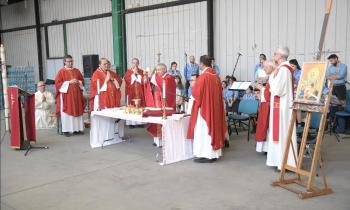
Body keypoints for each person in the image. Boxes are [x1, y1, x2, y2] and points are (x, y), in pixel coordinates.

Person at [187, 55, 226, 163]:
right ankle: (214, 153)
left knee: (204, 131)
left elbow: (196, 93)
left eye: (199, 63)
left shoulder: (203, 77)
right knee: (213, 129)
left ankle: (207, 154)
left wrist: (193, 86)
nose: (199, 65)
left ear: (202, 64)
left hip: (205, 109)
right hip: (215, 109)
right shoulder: (216, 76)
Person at [266, 47, 297, 170]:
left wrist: (271, 80)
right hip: (279, 106)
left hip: (283, 108)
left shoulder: (284, 70)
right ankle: (279, 161)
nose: (274, 55)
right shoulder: (281, 69)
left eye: (275, 54)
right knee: (279, 133)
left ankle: (285, 163)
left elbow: (278, 90)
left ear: (280, 56)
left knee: (283, 132)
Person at [55, 55, 85, 137]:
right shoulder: (61, 72)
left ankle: (77, 129)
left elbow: (82, 81)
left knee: (78, 110)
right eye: (68, 61)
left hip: (77, 96)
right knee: (67, 113)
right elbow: (57, 84)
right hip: (67, 96)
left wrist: (78, 81)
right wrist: (69, 82)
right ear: (64, 62)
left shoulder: (77, 71)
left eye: (71, 61)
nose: (70, 63)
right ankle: (67, 130)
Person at [147, 63, 176, 147]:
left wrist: (153, 76)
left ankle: (165, 140)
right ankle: (157, 139)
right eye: (157, 70)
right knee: (156, 120)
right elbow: (152, 85)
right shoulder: (160, 78)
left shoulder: (169, 78)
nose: (157, 72)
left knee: (163, 121)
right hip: (156, 103)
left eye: (159, 70)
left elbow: (163, 85)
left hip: (165, 104)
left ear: (164, 70)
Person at [255, 60, 276, 153]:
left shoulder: (274, 76)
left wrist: (261, 89)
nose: (263, 69)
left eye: (265, 67)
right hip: (267, 105)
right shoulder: (271, 76)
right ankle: (266, 147)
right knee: (266, 127)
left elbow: (268, 94)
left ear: (271, 67)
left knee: (268, 126)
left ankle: (268, 148)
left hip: (270, 106)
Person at [124, 58, 145, 126]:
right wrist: (134, 74)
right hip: (131, 92)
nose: (135, 64)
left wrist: (138, 74)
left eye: (136, 63)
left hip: (140, 92)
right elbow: (127, 80)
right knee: (131, 105)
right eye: (134, 63)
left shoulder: (141, 71)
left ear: (138, 64)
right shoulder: (128, 72)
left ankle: (140, 122)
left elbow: (144, 81)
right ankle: (131, 123)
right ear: (132, 63)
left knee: (140, 105)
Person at [289, 59, 303, 126]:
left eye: (293, 66)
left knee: (298, 108)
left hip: (298, 92)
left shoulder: (300, 72)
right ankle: (292, 124)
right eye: (290, 66)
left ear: (296, 66)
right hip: (290, 92)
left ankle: (299, 124)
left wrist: (296, 85)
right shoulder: (288, 72)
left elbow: (302, 82)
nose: (292, 68)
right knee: (291, 108)